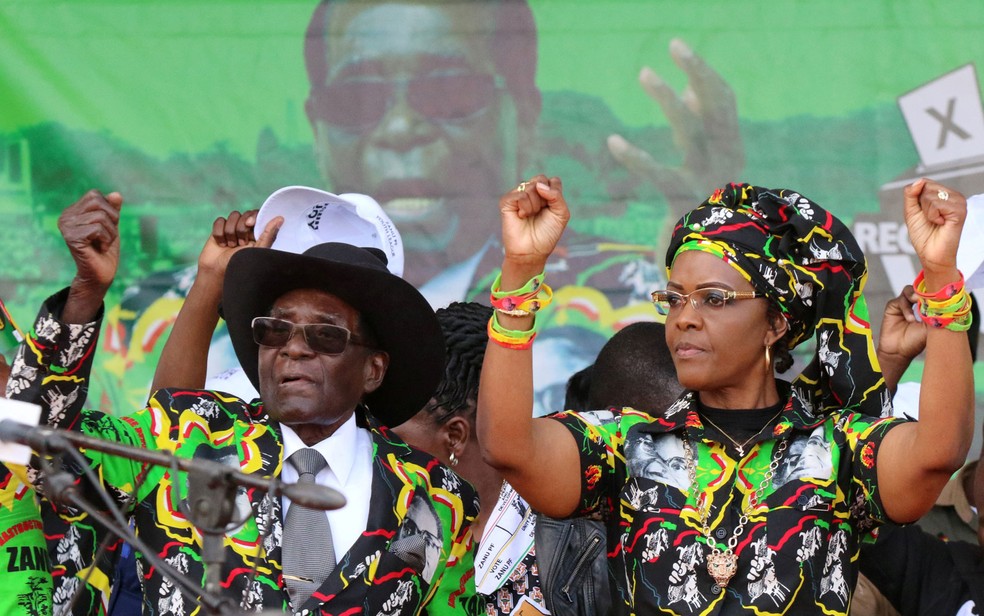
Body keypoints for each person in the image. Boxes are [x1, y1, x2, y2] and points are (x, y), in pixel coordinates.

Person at [476, 175, 974, 614]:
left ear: (776, 323)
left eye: (714, 299)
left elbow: (937, 453)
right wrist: (521, 270)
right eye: (674, 299)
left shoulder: (837, 448)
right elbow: (508, 445)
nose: (685, 317)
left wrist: (941, 277)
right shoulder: (629, 443)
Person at [7, 189, 482, 615]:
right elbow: (31, 449)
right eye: (275, 329)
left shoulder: (437, 495)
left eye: (325, 334)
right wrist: (84, 298)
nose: (293, 348)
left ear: (373, 369)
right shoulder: (185, 432)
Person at [302, 0, 742, 301]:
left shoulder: (628, 290)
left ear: (525, 118)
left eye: (447, 92)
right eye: (354, 98)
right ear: (316, 129)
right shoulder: (263, 318)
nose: (399, 129)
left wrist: (710, 260)